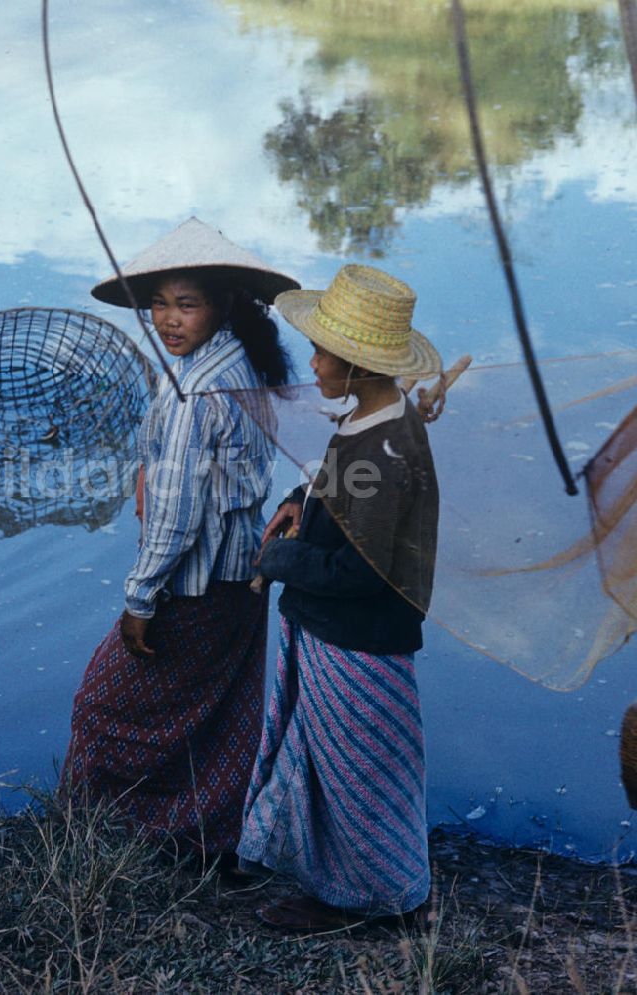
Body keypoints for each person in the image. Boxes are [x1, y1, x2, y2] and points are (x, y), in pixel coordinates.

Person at [60, 217, 300, 859]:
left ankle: (104, 840)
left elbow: (175, 516)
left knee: (102, 710)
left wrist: (140, 599)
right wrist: (152, 462)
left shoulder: (198, 390)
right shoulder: (239, 364)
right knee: (218, 715)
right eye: (160, 304)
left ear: (221, 305)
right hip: (241, 577)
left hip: (196, 587)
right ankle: (213, 841)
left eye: (186, 304)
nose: (169, 319)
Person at [237, 264, 441, 930]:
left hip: (356, 641)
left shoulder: (384, 454)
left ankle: (362, 899)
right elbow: (336, 486)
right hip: (341, 635)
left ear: (358, 365)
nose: (313, 360)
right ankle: (351, 881)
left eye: (325, 350)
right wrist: (301, 502)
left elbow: (359, 574)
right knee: (340, 760)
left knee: (353, 774)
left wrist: (280, 557)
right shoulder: (376, 416)